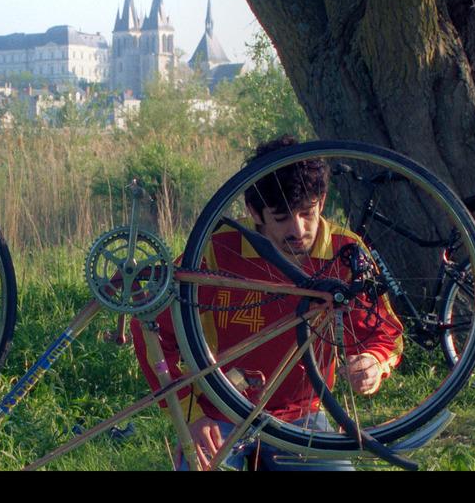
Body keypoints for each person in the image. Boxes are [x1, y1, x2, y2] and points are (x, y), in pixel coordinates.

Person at [131, 135, 404, 471]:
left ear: (322, 201)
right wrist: (191, 414)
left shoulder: (345, 251)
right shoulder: (216, 249)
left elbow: (386, 334)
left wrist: (373, 362)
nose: (298, 230)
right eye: (281, 217)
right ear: (254, 212)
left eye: (307, 213)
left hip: (302, 414)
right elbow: (150, 325)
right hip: (219, 411)